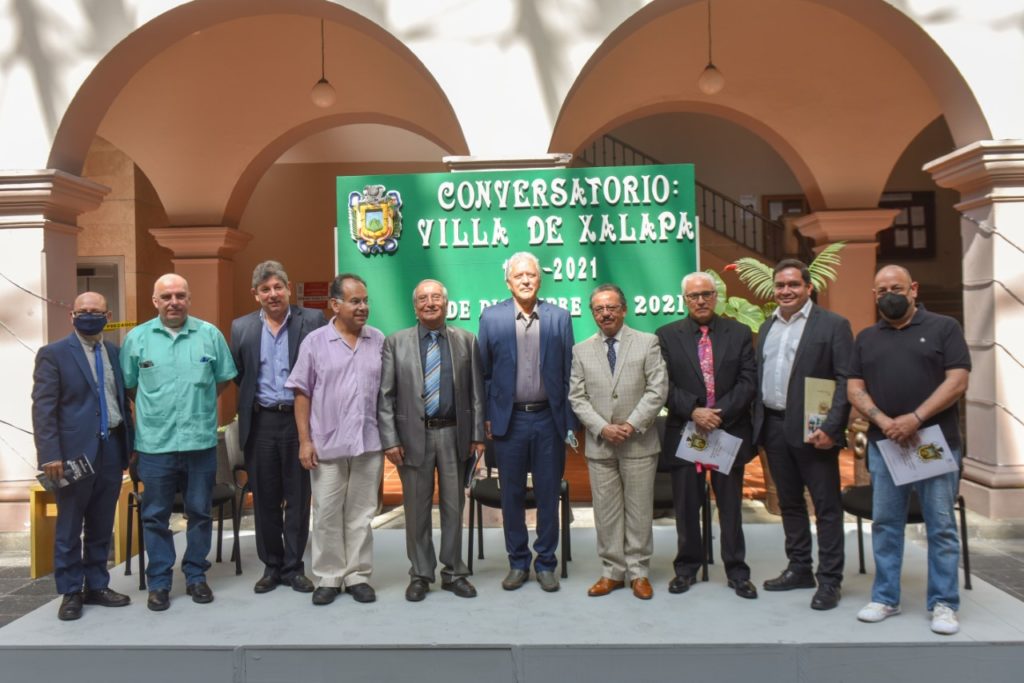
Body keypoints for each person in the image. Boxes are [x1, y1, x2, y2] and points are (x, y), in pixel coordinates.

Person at [847, 265, 970, 635]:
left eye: (897, 288)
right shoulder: (866, 337)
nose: (890, 295)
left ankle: (944, 603)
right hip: (886, 445)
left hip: (933, 444)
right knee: (886, 524)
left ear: (913, 289)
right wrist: (884, 421)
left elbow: (958, 381)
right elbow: (854, 387)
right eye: (882, 290)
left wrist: (915, 418)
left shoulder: (944, 328)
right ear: (874, 296)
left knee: (940, 525)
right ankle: (886, 597)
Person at [121, 274, 237, 611]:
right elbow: (130, 386)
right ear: (155, 301)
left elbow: (222, 381)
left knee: (199, 512)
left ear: (189, 298)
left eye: (180, 295)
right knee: (155, 516)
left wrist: (196, 404)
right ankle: (159, 582)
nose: (174, 302)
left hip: (199, 444)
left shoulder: (209, 335)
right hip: (155, 446)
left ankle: (196, 576)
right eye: (167, 296)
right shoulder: (137, 338)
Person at [752, 259, 853, 611]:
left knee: (826, 507)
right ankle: (799, 568)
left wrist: (832, 428)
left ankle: (830, 580)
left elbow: (845, 379)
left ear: (808, 287)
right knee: (790, 503)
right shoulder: (767, 326)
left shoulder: (833, 325)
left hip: (815, 431)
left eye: (793, 284)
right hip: (774, 427)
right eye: (780, 285)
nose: (786, 291)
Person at [378, 279, 486, 602]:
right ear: (415, 307)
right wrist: (390, 440)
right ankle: (421, 574)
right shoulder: (395, 343)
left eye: (436, 297)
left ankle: (453, 572)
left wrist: (477, 435)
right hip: (413, 437)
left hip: (455, 435)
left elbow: (477, 393)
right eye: (423, 299)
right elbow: (386, 396)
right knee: (416, 510)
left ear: (446, 304)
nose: (430, 303)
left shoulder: (466, 340)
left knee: (454, 507)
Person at [478, 251, 577, 592]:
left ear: (540, 279)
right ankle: (518, 562)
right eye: (518, 275)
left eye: (530, 275)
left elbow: (568, 373)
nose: (525, 280)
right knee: (512, 495)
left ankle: (546, 562)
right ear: (508, 282)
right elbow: (484, 373)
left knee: (549, 494)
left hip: (549, 419)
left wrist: (569, 423)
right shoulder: (491, 318)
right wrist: (488, 416)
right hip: (510, 422)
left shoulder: (559, 318)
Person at [31, 292, 133, 620]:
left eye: (96, 311)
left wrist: (129, 447)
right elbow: (44, 408)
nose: (89, 315)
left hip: (111, 448)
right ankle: (71, 591)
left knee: (102, 523)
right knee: (70, 524)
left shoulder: (115, 352)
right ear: (72, 316)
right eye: (83, 311)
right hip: (71, 456)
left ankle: (97, 585)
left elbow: (120, 400)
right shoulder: (54, 354)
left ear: (108, 316)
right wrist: (49, 454)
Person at [657, 272, 758, 600]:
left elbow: (748, 380)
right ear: (684, 300)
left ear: (716, 297)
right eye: (693, 296)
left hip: (727, 431)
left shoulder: (738, 333)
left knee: (731, 508)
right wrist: (694, 411)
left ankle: (737, 571)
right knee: (686, 507)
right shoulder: (666, 335)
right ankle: (686, 568)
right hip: (687, 431)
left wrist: (718, 413)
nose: (700, 301)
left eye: (706, 294)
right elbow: (662, 384)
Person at [286, 273, 384, 606]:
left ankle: (357, 575)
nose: (363, 307)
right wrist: (305, 440)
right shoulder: (315, 342)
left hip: (368, 442)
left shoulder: (378, 340)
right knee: (327, 512)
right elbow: (301, 392)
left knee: (361, 513)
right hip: (326, 444)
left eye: (365, 301)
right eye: (355, 301)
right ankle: (329, 575)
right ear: (335, 305)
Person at [230, 260, 325, 595]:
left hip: (300, 421)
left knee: (298, 497)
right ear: (255, 294)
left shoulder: (312, 320)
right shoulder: (241, 327)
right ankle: (271, 566)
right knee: (265, 498)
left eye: (278, 287)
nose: (273, 294)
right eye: (265, 289)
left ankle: (294, 567)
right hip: (261, 422)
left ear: (287, 288)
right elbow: (241, 374)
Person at [569, 284, 667, 600]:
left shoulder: (647, 342)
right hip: (601, 444)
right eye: (599, 309)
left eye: (611, 307)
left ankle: (638, 572)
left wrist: (630, 424)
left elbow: (657, 389)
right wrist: (602, 428)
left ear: (624, 310)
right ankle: (612, 572)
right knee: (606, 512)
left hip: (638, 442)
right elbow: (577, 397)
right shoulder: (581, 350)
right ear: (593, 314)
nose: (605, 313)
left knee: (639, 511)